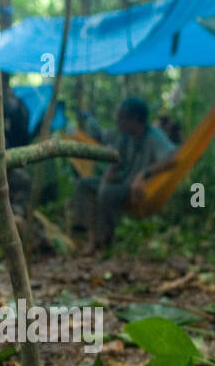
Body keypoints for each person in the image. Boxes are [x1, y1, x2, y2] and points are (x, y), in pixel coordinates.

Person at [70, 97, 177, 252]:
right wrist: (107, 177)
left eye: (121, 117)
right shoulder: (126, 138)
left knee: (106, 193)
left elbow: (172, 157)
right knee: (84, 185)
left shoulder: (154, 136)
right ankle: (90, 236)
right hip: (124, 181)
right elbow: (116, 163)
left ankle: (104, 242)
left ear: (134, 119)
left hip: (141, 187)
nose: (117, 121)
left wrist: (144, 174)